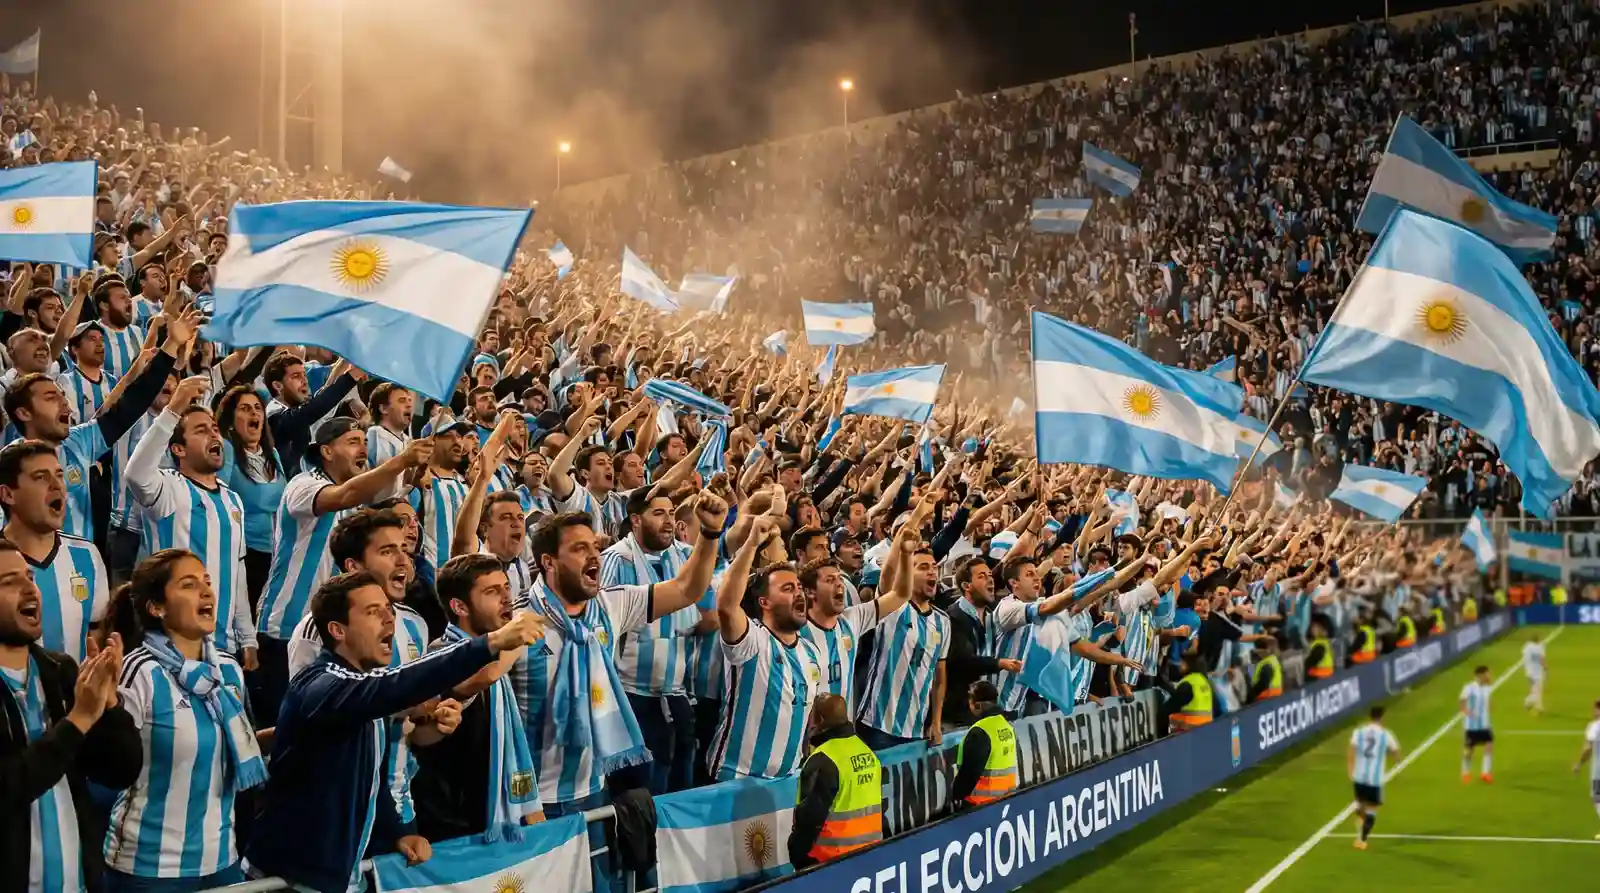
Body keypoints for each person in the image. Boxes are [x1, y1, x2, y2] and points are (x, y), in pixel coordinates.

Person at [243, 571, 545, 893]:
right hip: (289, 881)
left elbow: (371, 779)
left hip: (337, 877)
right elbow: (397, 685)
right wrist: (491, 643)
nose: (390, 619)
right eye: (373, 611)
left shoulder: (362, 690)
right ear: (338, 630)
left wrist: (396, 832)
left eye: (388, 609)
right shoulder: (321, 684)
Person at [101, 550, 267, 892]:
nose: (207, 591)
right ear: (156, 607)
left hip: (221, 860)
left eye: (207, 582)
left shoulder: (228, 669)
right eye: (189, 585)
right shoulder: (139, 671)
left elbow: (238, 743)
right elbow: (111, 766)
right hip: (149, 867)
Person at [253, 418, 431, 726]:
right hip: (287, 626)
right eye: (353, 441)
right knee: (290, 728)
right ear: (326, 451)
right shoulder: (303, 485)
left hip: (337, 631)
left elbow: (373, 502)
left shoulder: (356, 502)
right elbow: (345, 495)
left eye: (365, 441)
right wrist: (401, 460)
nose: (363, 448)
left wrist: (409, 480)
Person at [0, 538, 142, 893]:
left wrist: (109, 705)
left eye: (29, 577)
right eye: (9, 582)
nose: (29, 590)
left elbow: (119, 771)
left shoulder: (58, 670)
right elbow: (9, 787)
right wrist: (78, 719)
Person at [123, 377, 257, 663]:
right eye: (201, 430)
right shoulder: (169, 488)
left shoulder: (233, 500)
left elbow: (237, 571)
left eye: (215, 429)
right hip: (173, 645)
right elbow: (135, 474)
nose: (213, 435)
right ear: (179, 449)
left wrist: (247, 636)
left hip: (224, 646)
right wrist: (172, 410)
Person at [412, 554, 543, 842]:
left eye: (506, 587)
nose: (506, 599)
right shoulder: (440, 653)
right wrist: (515, 637)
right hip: (450, 825)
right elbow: (483, 675)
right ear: (460, 607)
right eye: (492, 591)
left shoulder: (496, 653)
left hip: (485, 814)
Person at [707, 518, 825, 780]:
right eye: (787, 588)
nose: (799, 594)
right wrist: (751, 544)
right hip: (737, 779)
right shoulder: (753, 640)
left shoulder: (811, 653)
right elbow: (726, 605)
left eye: (799, 588)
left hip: (787, 781)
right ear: (765, 602)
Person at [0, 441, 113, 662]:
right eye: (40, 477)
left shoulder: (87, 555)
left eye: (59, 475)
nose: (57, 486)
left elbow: (96, 631)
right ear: (8, 495)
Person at [855, 546, 948, 751]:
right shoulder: (893, 608)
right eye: (923, 567)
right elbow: (886, 578)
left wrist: (936, 721)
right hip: (877, 725)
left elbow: (939, 677)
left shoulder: (943, 621)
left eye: (934, 567)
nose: (932, 572)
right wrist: (903, 549)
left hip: (917, 728)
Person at [788, 693, 881, 870]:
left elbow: (810, 819)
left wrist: (798, 857)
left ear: (820, 720)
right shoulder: (868, 753)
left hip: (829, 861)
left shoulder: (823, 759)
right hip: (869, 856)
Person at [950, 680, 1017, 810]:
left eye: (970, 698)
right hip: (1005, 800)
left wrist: (957, 795)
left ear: (978, 705)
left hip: (979, 805)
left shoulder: (980, 731)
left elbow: (970, 772)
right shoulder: (1006, 725)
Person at [1348, 705, 1401, 851]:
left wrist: (1350, 770)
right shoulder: (1386, 735)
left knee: (1361, 805)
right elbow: (1396, 752)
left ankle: (1359, 825)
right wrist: (1396, 761)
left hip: (1359, 776)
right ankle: (1362, 840)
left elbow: (1351, 751)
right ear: (1382, 717)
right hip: (1374, 779)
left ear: (1370, 716)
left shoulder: (1358, 732)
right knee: (1372, 810)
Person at [1461, 664, 1495, 784]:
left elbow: (1488, 702)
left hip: (1485, 724)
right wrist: (1469, 713)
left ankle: (1485, 773)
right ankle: (1466, 772)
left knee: (1489, 745)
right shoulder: (1469, 688)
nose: (1489, 676)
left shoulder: (1487, 688)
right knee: (1469, 750)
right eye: (1487, 674)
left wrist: (1489, 709)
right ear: (1480, 675)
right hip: (1472, 726)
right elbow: (1462, 703)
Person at [1572, 699, 1600, 837]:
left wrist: (1579, 764)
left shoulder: (1594, 727)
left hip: (1599, 770)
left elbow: (1588, 749)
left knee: (1597, 798)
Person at [1165, 654, 1213, 732]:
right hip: (1205, 728)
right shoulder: (1205, 682)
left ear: (1187, 666)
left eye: (1182, 662)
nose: (1180, 665)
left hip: (1187, 730)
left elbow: (1170, 707)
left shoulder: (1188, 683)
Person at [1248, 637, 1284, 703]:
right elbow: (1252, 677)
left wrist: (1249, 698)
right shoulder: (1272, 660)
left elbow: (1262, 684)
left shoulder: (1267, 664)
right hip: (1275, 698)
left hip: (1266, 699)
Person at [1522, 634, 1547, 714]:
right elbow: (1542, 659)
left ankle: (1539, 707)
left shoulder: (1527, 647)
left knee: (1535, 691)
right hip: (1538, 673)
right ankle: (1528, 702)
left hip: (1529, 673)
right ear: (1538, 640)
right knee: (1537, 692)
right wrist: (1545, 668)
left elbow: (1524, 659)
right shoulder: (1540, 647)